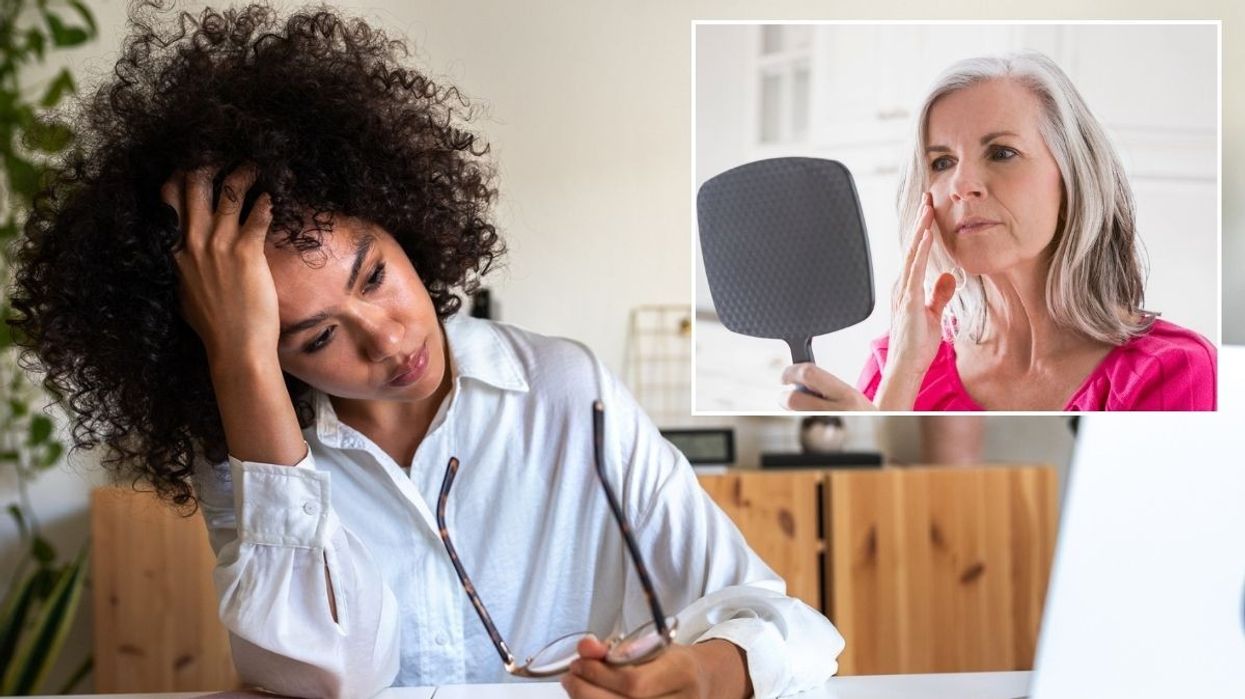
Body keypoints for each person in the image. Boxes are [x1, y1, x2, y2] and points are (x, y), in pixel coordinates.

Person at [7, 4, 843, 698]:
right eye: (316, 336)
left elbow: (785, 627)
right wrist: (240, 362)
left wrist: (698, 673)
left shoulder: (562, 391)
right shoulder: (250, 443)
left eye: (373, 274)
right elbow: (329, 677)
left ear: (400, 218)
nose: (389, 336)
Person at [782, 52, 1216, 411]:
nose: (961, 186)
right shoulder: (897, 361)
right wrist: (898, 388)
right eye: (941, 162)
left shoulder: (1173, 373)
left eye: (1002, 152)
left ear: (1072, 177)